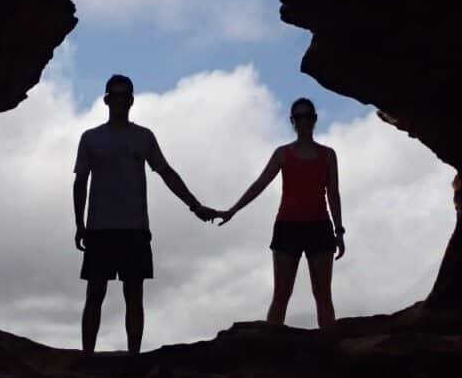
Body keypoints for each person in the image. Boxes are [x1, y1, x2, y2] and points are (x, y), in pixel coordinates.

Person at [73, 74, 216, 356]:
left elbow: (166, 172)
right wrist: (79, 224)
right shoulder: (91, 138)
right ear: (106, 100)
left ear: (131, 100)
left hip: (134, 229)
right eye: (114, 96)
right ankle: (87, 357)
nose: (119, 101)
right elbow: (80, 181)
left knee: (134, 296)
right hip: (100, 228)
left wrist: (194, 205)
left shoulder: (143, 137)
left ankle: (134, 357)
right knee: (94, 294)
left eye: (124, 96)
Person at [218, 97, 345, 328]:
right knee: (281, 295)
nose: (303, 121)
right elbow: (260, 184)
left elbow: (333, 194)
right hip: (288, 226)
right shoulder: (283, 154)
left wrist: (339, 231)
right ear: (292, 122)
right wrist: (232, 210)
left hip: (320, 227)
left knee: (324, 297)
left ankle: (330, 353)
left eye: (308, 116)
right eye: (299, 117)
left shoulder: (328, 155)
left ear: (315, 119)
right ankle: (269, 352)